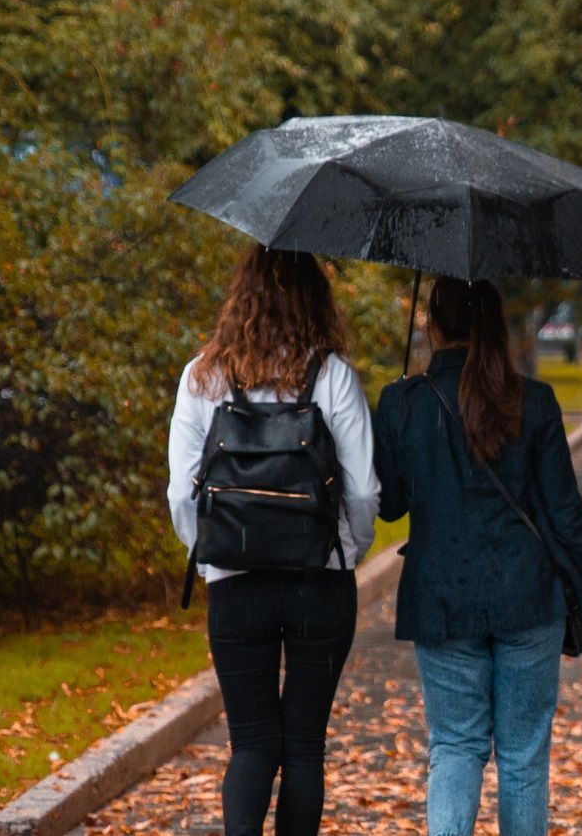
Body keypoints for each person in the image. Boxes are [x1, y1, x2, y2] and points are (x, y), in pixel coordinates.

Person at [373, 278, 582, 836]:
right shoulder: (533, 400)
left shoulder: (403, 402)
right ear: (493, 323)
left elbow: (388, 506)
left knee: (454, 746)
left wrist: (398, 432)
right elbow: (564, 509)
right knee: (523, 756)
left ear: (433, 325)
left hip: (441, 596)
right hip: (527, 595)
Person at [165, 244, 378, 836]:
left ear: (241, 298)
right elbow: (363, 490)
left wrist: (211, 559)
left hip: (236, 582)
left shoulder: (202, 377)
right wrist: (349, 551)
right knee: (305, 745)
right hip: (319, 581)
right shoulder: (332, 376)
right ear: (315, 300)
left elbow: (182, 493)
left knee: (252, 742)